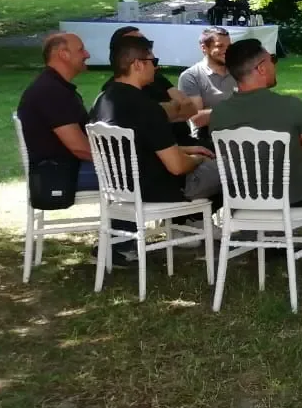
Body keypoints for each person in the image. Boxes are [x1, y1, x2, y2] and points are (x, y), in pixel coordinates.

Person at [211, 39, 302, 267]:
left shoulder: (219, 114)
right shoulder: (290, 106)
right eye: (272, 59)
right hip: (295, 197)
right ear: (261, 68)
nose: (275, 65)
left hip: (244, 200)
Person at [90, 34, 222, 266]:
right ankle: (240, 227)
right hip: (159, 189)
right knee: (235, 168)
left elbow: (137, 147)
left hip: (122, 188)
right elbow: (177, 166)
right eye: (153, 61)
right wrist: (197, 159)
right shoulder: (146, 108)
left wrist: (186, 148)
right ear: (138, 64)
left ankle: (191, 224)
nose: (157, 67)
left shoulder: (102, 100)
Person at [17, 33, 98, 201]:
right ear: (63, 54)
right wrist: (113, 162)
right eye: (81, 50)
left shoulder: (54, 86)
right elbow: (79, 148)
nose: (87, 54)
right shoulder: (51, 91)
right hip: (60, 174)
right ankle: (132, 218)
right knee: (140, 173)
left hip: (65, 168)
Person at [104, 26, 201, 142]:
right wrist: (168, 109)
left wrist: (160, 112)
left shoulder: (156, 78)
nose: (146, 47)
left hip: (182, 140)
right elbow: (146, 117)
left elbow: (190, 108)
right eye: (137, 43)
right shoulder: (114, 92)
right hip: (165, 147)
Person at [177, 26, 236, 144]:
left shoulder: (238, 71)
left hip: (242, 135)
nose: (227, 50)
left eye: (229, 46)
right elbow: (197, 118)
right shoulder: (191, 76)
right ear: (204, 48)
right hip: (209, 140)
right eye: (220, 46)